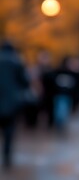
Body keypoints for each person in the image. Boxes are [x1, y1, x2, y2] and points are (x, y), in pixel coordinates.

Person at [0, 41, 30, 169]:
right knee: (9, 131)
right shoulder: (17, 61)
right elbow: (25, 82)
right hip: (11, 103)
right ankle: (7, 156)